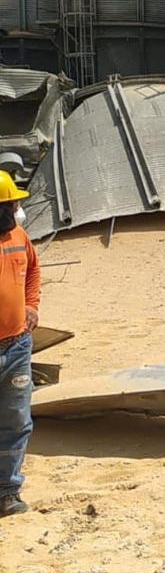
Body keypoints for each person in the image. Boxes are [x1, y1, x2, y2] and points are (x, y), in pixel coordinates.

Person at [0, 171, 40, 518]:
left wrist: (31, 305)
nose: (15, 210)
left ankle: (8, 492)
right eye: (10, 205)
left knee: (15, 420)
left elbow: (32, 272)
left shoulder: (18, 237)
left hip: (16, 347)